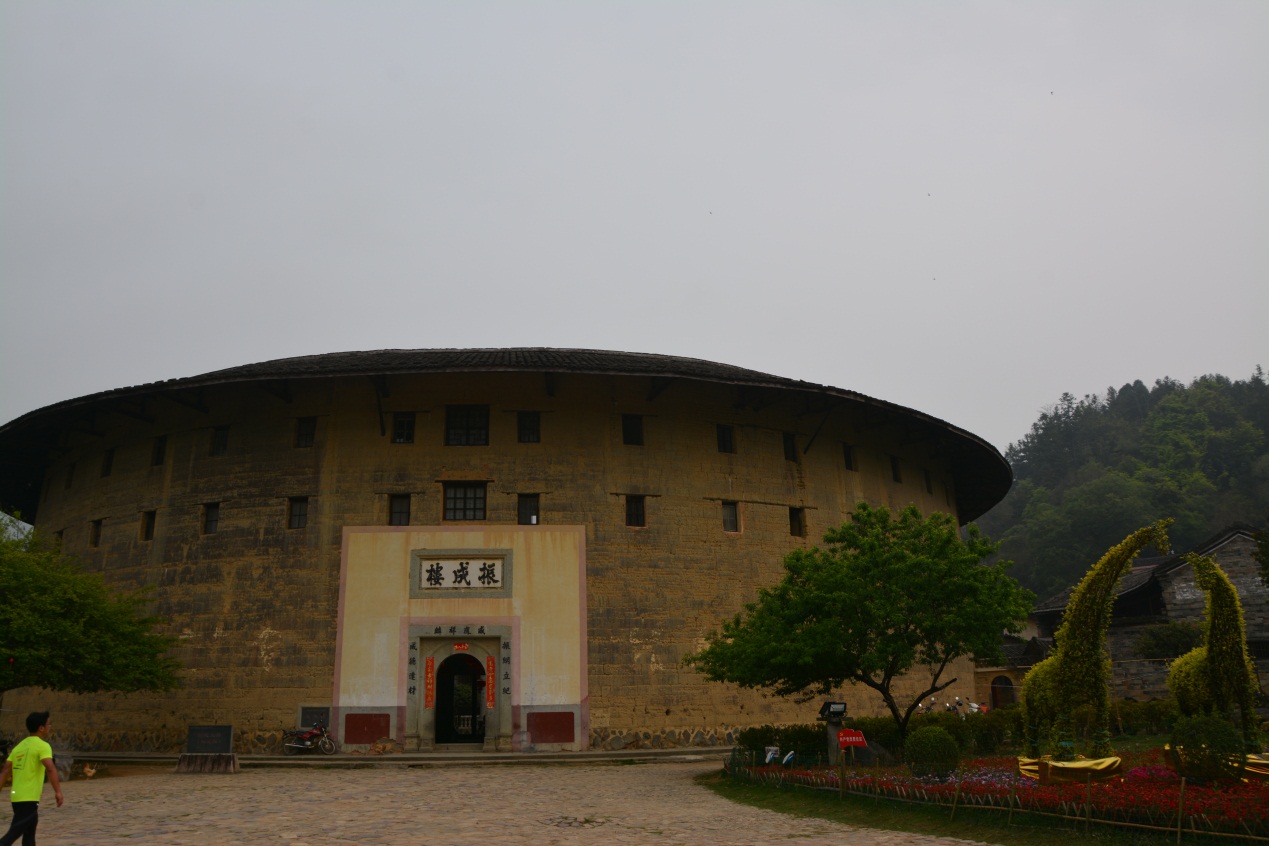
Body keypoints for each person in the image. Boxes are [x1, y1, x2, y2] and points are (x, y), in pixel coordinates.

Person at [0, 712, 63, 846]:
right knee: (12, 834)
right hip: (29, 798)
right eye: (49, 724)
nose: (50, 726)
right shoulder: (43, 746)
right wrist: (58, 791)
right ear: (41, 728)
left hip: (17, 797)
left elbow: (5, 770)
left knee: (29, 833)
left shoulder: (19, 746)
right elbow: (50, 768)